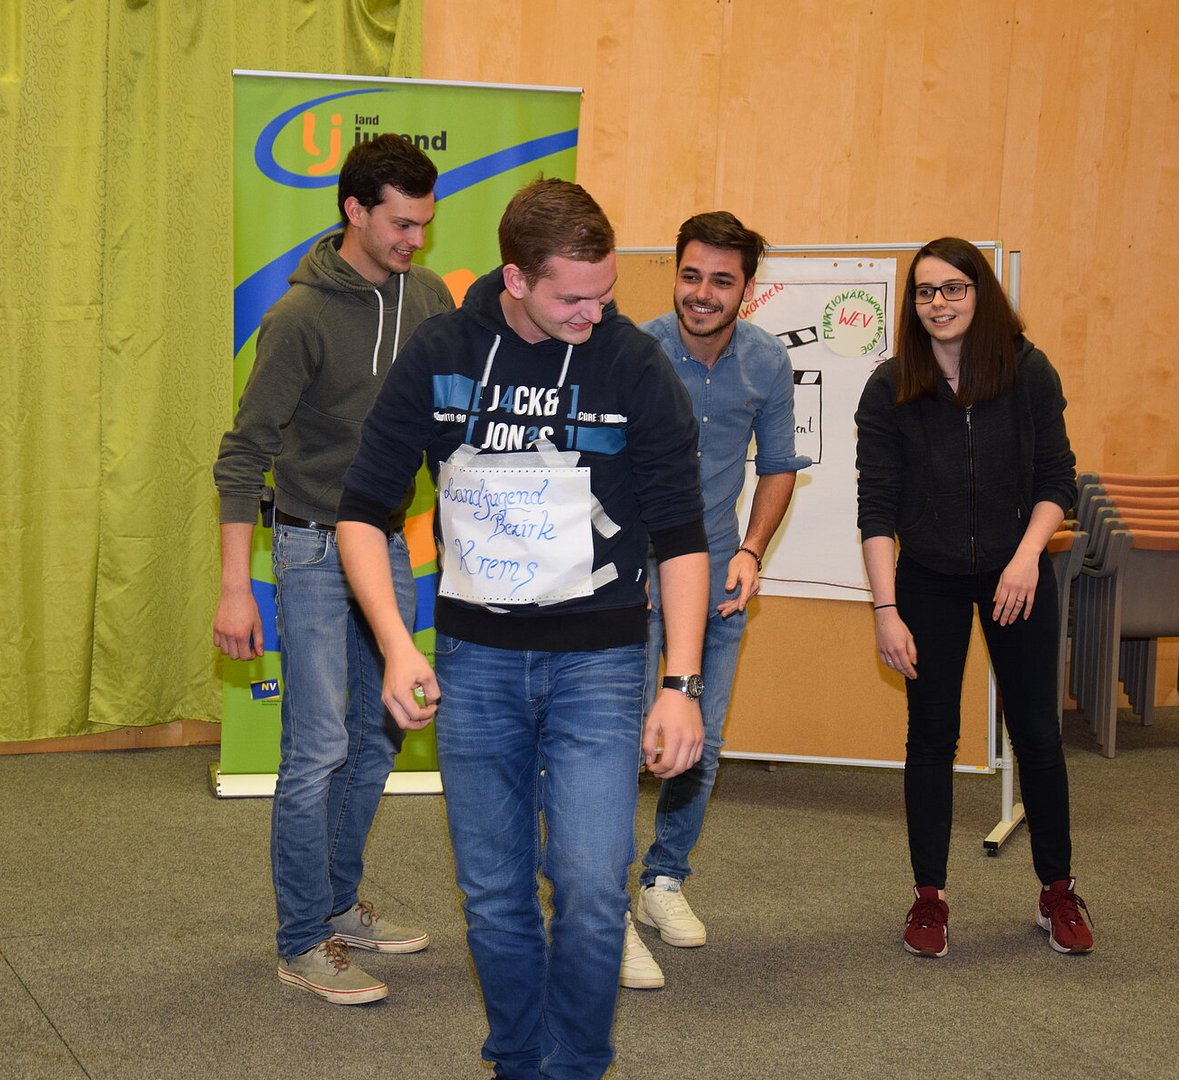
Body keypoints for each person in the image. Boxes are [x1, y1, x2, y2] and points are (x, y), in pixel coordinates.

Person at [337, 178, 710, 1079]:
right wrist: (396, 644)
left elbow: (682, 537)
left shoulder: (633, 365)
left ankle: (575, 1066)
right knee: (496, 894)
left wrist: (680, 685)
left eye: (605, 293)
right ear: (515, 278)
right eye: (573, 297)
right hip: (477, 664)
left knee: (589, 887)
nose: (595, 312)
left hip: (601, 664)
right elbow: (361, 512)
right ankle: (516, 1062)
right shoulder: (443, 353)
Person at [211, 134, 455, 1005]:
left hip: (386, 543)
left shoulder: (429, 297)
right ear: (355, 211)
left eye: (424, 224)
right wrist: (236, 587)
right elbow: (243, 455)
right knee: (317, 746)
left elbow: (447, 424)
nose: (415, 240)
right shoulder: (299, 317)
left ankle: (338, 904)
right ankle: (300, 941)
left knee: (378, 737)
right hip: (311, 545)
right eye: (401, 224)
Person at [854, 236, 1094, 959]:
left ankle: (1058, 890)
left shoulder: (1027, 371)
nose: (939, 303)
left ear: (980, 294)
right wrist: (886, 610)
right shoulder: (891, 387)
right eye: (925, 291)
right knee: (930, 736)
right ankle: (929, 897)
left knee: (1037, 734)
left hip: (1016, 572)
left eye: (953, 288)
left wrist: (1026, 557)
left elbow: (1058, 479)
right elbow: (876, 509)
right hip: (926, 577)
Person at [621, 212, 809, 989]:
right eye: (691, 275)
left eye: (721, 281)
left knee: (700, 739)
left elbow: (779, 465)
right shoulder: (634, 351)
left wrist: (753, 549)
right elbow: (597, 464)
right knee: (615, 743)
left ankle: (664, 880)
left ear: (747, 288)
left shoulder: (767, 361)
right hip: (632, 578)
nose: (702, 293)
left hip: (717, 581)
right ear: (676, 273)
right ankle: (603, 905)